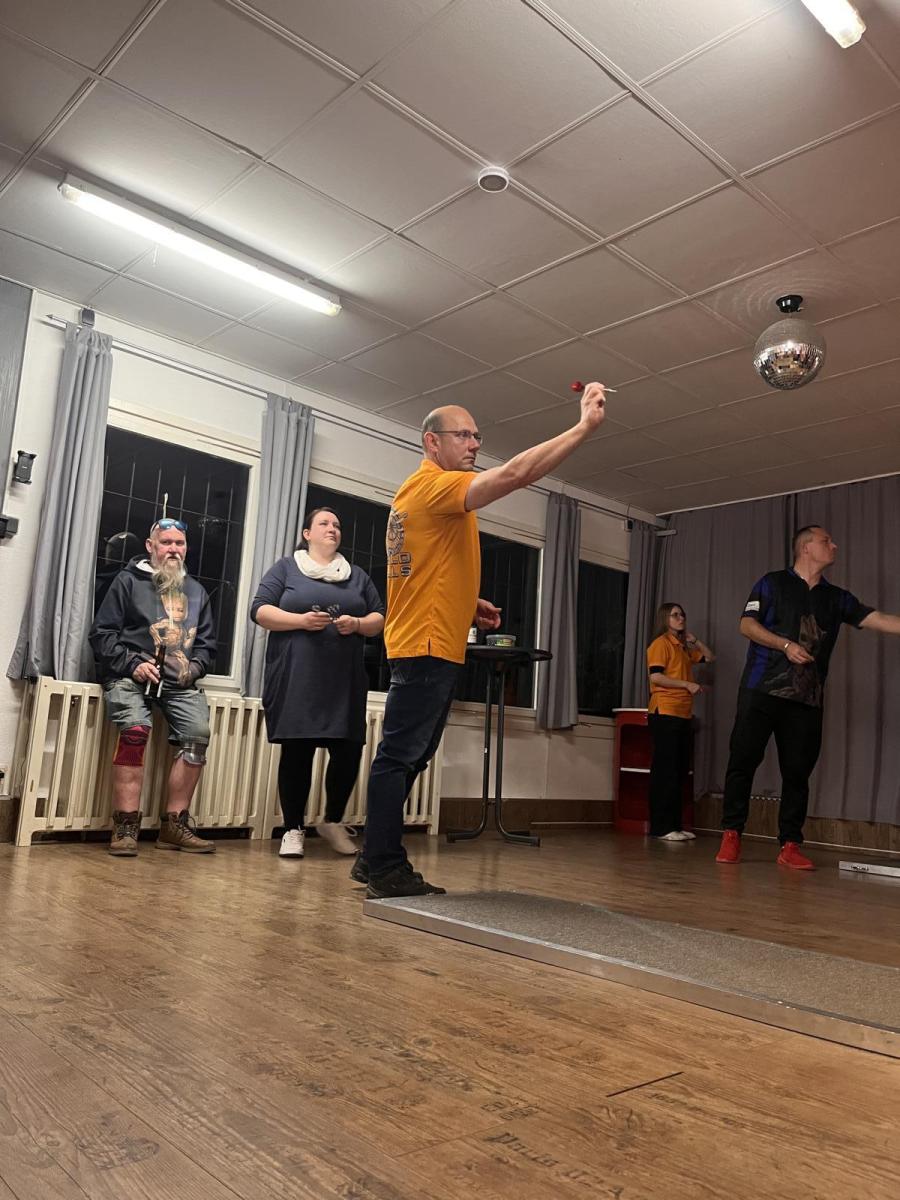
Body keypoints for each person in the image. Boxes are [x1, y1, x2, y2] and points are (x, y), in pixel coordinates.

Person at [356, 382, 610, 899]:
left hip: (427, 641)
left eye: (477, 436)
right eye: (463, 435)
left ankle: (372, 857)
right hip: (426, 645)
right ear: (432, 442)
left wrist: (468, 601)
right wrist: (583, 427)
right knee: (399, 758)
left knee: (410, 756)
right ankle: (382, 866)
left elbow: (419, 567)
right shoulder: (434, 487)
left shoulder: (417, 496)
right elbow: (517, 474)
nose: (474, 444)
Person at [715, 525, 900, 869]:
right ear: (806, 548)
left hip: (806, 700)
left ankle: (790, 845)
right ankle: (731, 834)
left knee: (798, 772)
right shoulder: (771, 583)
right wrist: (785, 645)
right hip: (760, 690)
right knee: (743, 761)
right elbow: (747, 625)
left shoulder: (837, 597)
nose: (834, 545)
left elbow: (878, 619)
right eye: (826, 541)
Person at [250, 508, 385, 859]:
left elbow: (379, 618)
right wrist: (300, 621)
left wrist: (357, 625)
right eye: (324, 523)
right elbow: (260, 610)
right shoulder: (286, 568)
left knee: (349, 749)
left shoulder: (356, 575)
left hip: (344, 680)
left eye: (337, 524)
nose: (332, 529)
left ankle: (332, 822)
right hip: (298, 677)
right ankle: (293, 829)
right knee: (298, 750)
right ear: (307, 533)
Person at [89, 516, 216, 857]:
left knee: (197, 736)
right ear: (151, 546)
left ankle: (174, 826)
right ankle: (125, 826)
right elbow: (102, 635)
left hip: (179, 681)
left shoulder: (197, 592)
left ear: (186, 549)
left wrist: (194, 668)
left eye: (179, 543)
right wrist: (133, 664)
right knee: (135, 732)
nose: (173, 549)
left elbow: (207, 646)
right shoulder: (126, 581)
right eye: (166, 542)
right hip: (130, 674)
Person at [646, 603, 715, 842]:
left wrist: (695, 641)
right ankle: (661, 827)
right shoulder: (660, 644)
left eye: (682, 614)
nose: (681, 618)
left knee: (678, 771)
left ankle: (674, 825)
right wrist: (687, 684)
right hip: (664, 711)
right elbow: (656, 676)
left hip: (683, 714)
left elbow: (710, 657)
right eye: (675, 615)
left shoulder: (683, 647)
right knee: (665, 771)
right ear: (665, 619)